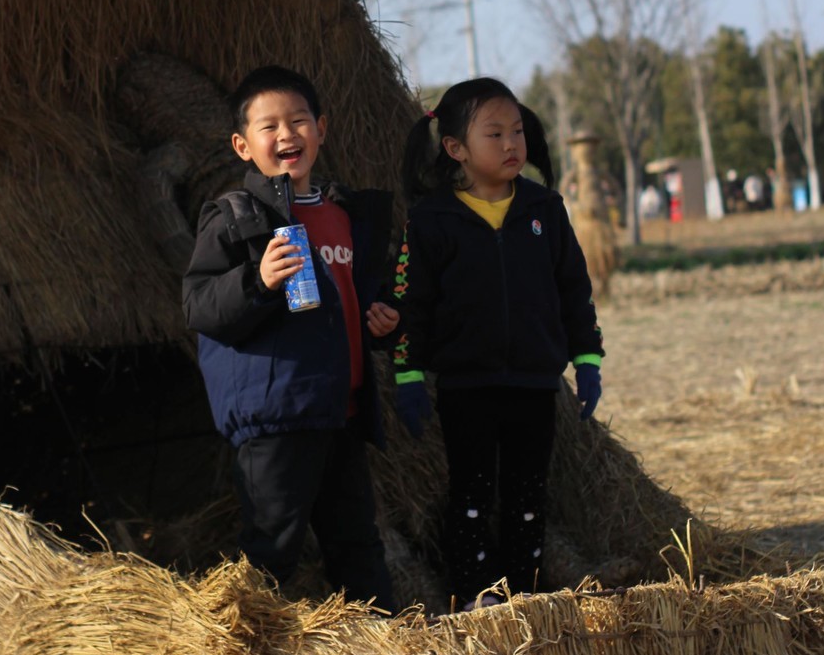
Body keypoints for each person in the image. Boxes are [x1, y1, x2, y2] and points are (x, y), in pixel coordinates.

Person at [183, 64, 398, 612]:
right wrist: (257, 280)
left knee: (358, 546)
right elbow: (199, 305)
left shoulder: (346, 215)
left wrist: (383, 321)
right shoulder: (234, 216)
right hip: (277, 417)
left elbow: (353, 301)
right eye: (269, 126)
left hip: (341, 411)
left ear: (321, 129)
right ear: (241, 145)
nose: (286, 135)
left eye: (299, 121)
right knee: (271, 548)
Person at [392, 76, 604, 609]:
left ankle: (525, 591)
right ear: (456, 149)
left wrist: (588, 358)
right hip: (467, 384)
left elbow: (573, 289)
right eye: (495, 134)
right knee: (471, 493)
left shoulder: (544, 209)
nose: (511, 144)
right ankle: (475, 593)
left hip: (534, 382)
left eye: (517, 132)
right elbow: (409, 304)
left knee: (529, 494)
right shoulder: (431, 220)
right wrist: (409, 374)